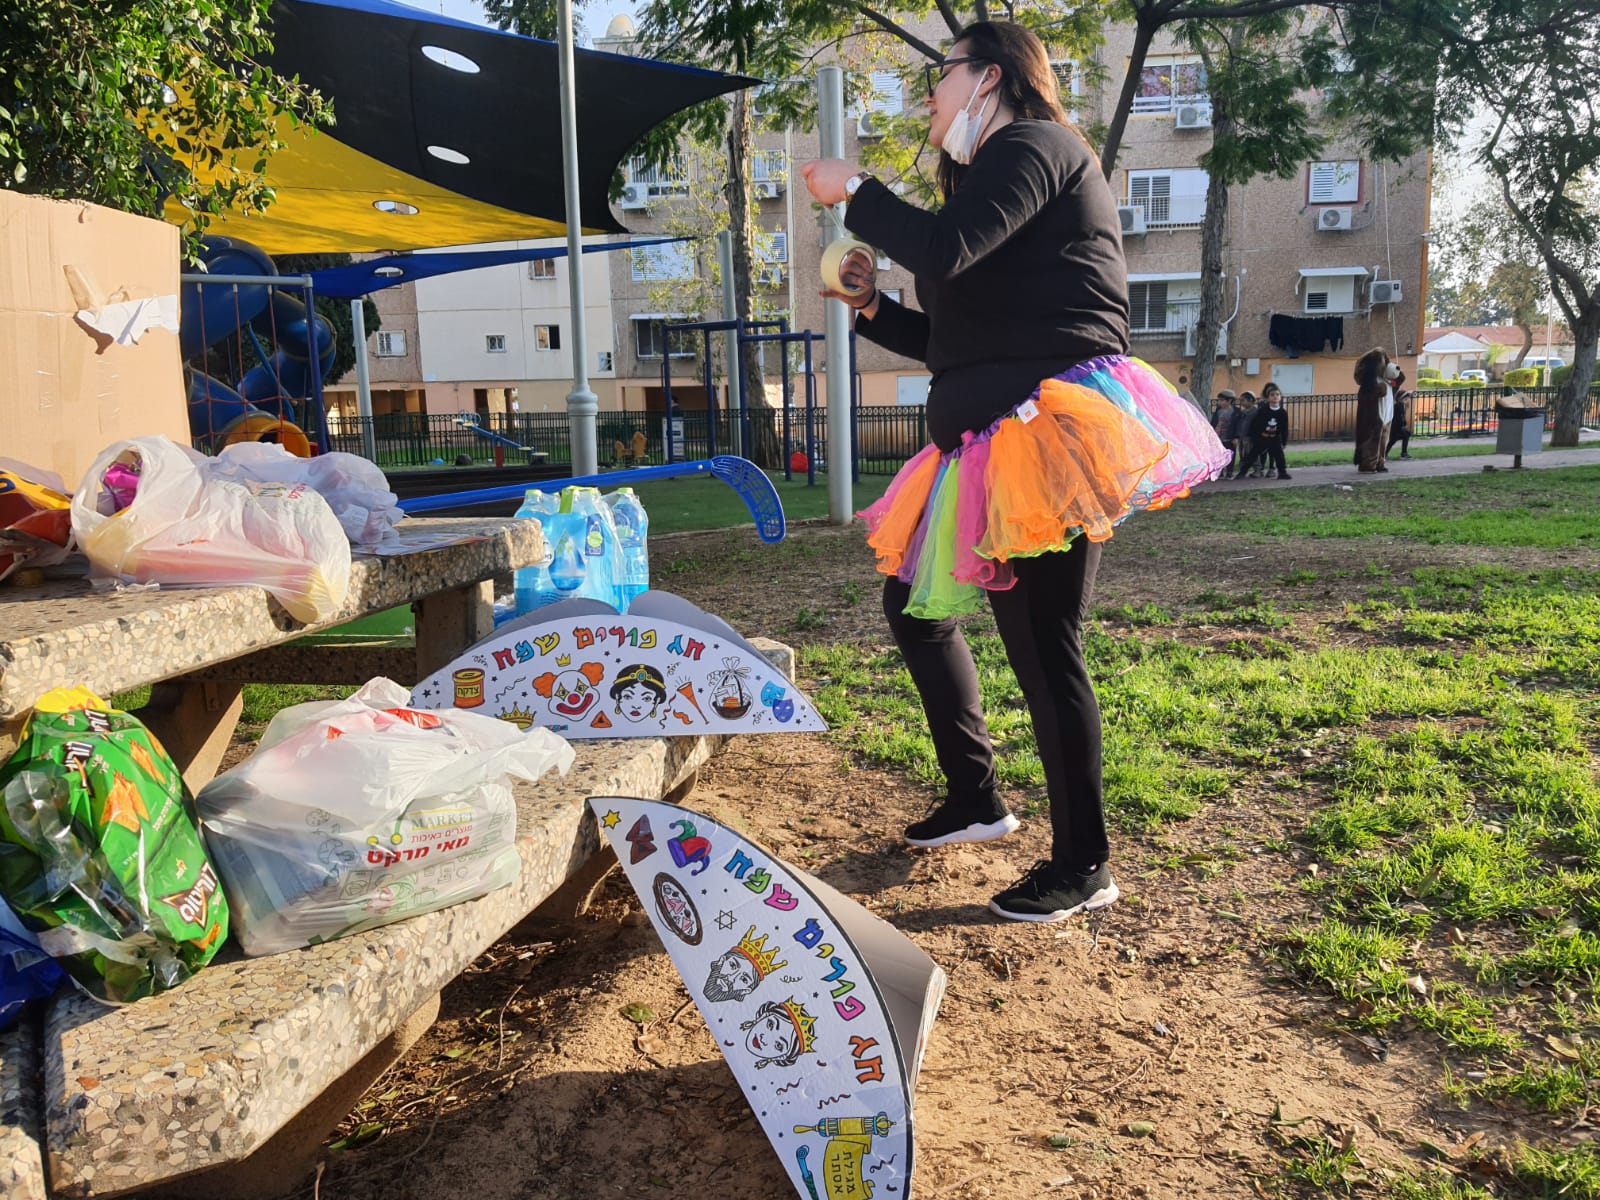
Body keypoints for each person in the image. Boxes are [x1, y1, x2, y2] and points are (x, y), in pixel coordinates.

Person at [800, 21, 1228, 923]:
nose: (930, 99)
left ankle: (1083, 864)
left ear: (988, 77)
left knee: (1042, 644)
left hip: (1044, 437)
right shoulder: (991, 181)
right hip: (983, 439)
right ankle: (978, 800)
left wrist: (858, 193)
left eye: (938, 79)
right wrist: (872, 305)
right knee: (913, 604)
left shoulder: (1037, 145)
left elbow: (947, 248)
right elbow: (950, 343)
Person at [1240, 383, 1291, 479]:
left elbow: (1284, 428)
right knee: (1252, 455)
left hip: (1274, 438)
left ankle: (1282, 473)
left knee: (1279, 456)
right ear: (1268, 398)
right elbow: (1256, 425)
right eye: (1272, 395)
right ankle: (1242, 472)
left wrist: (1284, 441)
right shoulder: (1263, 410)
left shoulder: (1282, 412)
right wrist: (1254, 437)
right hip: (1262, 437)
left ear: (1280, 397)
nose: (1275, 397)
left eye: (1277, 394)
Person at [1210, 390, 1237, 477]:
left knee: (1230, 455)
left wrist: (1236, 437)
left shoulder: (1235, 412)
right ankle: (1220, 471)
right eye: (1219, 400)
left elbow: (1237, 425)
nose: (1220, 402)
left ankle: (1229, 471)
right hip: (1219, 437)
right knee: (1219, 455)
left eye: (1222, 400)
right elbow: (1213, 423)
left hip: (1229, 437)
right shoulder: (1218, 412)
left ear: (1229, 401)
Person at [1387, 373, 1413, 459]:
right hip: (1397, 426)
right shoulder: (1399, 405)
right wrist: (1403, 425)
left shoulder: (1399, 405)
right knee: (1402, 436)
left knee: (1395, 439)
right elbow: (1400, 417)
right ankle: (1403, 453)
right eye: (1406, 398)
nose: (1407, 400)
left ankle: (1386, 454)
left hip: (1396, 426)